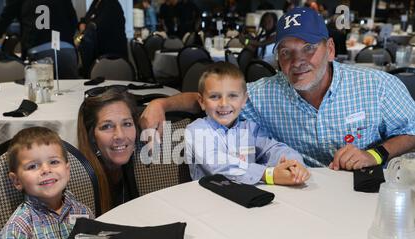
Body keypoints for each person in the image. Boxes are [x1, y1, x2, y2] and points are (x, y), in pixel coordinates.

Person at [139, 7, 415, 171]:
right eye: (286, 52)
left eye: (309, 48)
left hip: (363, 197)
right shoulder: (263, 94)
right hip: (296, 199)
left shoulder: (377, 86)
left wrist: (374, 154)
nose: (298, 62)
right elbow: (213, 98)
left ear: (330, 49)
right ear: (277, 57)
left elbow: (411, 131)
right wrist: (161, 104)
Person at [0, 127, 94, 239]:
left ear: (67, 169)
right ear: (16, 181)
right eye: (33, 166)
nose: (46, 170)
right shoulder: (17, 229)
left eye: (54, 162)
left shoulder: (83, 211)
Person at [185, 62, 309, 185]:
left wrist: (294, 164)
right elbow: (218, 164)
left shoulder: (250, 128)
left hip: (248, 197)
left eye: (232, 96)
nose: (223, 103)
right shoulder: (196, 130)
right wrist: (268, 174)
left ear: (244, 100)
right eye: (214, 96)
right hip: (208, 198)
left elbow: (274, 148)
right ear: (201, 101)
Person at [77, 86, 138, 214]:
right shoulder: (80, 185)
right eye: (107, 126)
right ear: (92, 136)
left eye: (127, 124)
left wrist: (160, 104)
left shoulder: (142, 171)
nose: (120, 135)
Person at [0, 0, 78, 59]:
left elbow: (7, 15)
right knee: (69, 88)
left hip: (37, 48)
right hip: (65, 48)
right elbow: (73, 20)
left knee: (40, 89)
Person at [78, 0, 128, 64]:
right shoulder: (96, 2)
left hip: (111, 58)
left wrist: (85, 25)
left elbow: (97, 25)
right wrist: (82, 23)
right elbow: (87, 19)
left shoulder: (111, 3)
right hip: (99, 56)